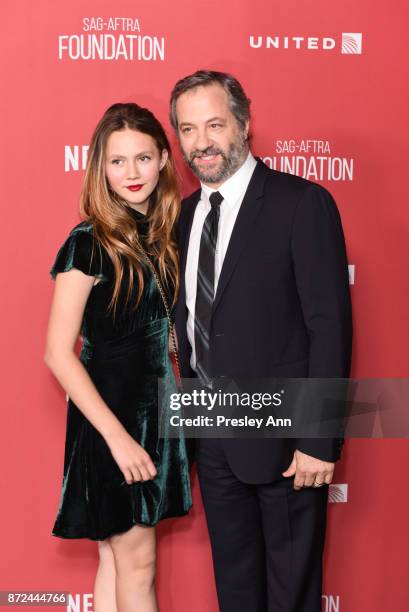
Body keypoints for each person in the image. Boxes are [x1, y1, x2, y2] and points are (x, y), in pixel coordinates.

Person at [170, 70, 352, 612]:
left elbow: (331, 326)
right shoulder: (183, 216)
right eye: (187, 129)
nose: (201, 142)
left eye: (215, 124)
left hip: (288, 443)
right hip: (214, 437)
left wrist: (320, 439)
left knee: (291, 593)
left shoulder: (301, 203)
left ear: (244, 125)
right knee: (236, 589)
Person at [44, 102, 192, 612]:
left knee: (117, 558)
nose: (132, 173)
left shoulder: (167, 235)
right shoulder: (88, 242)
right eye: (117, 161)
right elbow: (58, 353)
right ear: (99, 169)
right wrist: (118, 438)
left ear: (164, 161)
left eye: (143, 158)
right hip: (113, 422)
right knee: (138, 564)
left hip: (157, 418)